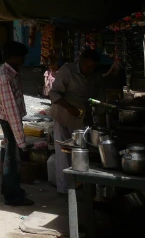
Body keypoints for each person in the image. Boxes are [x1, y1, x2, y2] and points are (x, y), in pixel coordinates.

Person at [49, 48, 101, 194]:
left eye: (92, 68)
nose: (89, 70)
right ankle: (64, 189)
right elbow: (54, 93)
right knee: (63, 152)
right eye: (87, 67)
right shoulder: (67, 70)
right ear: (81, 61)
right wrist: (69, 107)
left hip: (79, 117)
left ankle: (78, 186)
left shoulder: (93, 76)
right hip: (62, 115)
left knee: (79, 152)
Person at [0, 41, 34, 206]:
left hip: (8, 116)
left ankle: (8, 188)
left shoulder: (12, 71)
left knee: (10, 153)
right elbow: (11, 112)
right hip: (8, 118)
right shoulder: (5, 77)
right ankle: (13, 196)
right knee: (12, 157)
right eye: (21, 57)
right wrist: (22, 141)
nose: (23, 60)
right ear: (12, 57)